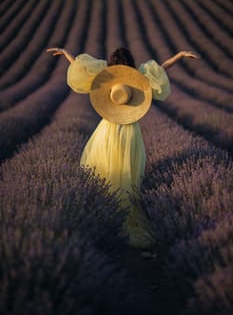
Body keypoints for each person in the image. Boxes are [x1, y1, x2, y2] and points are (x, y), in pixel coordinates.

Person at [47, 46, 199, 248]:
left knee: (104, 166)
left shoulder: (105, 74)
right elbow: (161, 68)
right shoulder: (138, 75)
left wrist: (66, 53)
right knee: (128, 169)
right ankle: (124, 209)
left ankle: (103, 213)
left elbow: (80, 67)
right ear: (131, 61)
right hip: (129, 129)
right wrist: (179, 55)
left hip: (108, 128)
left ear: (112, 61)